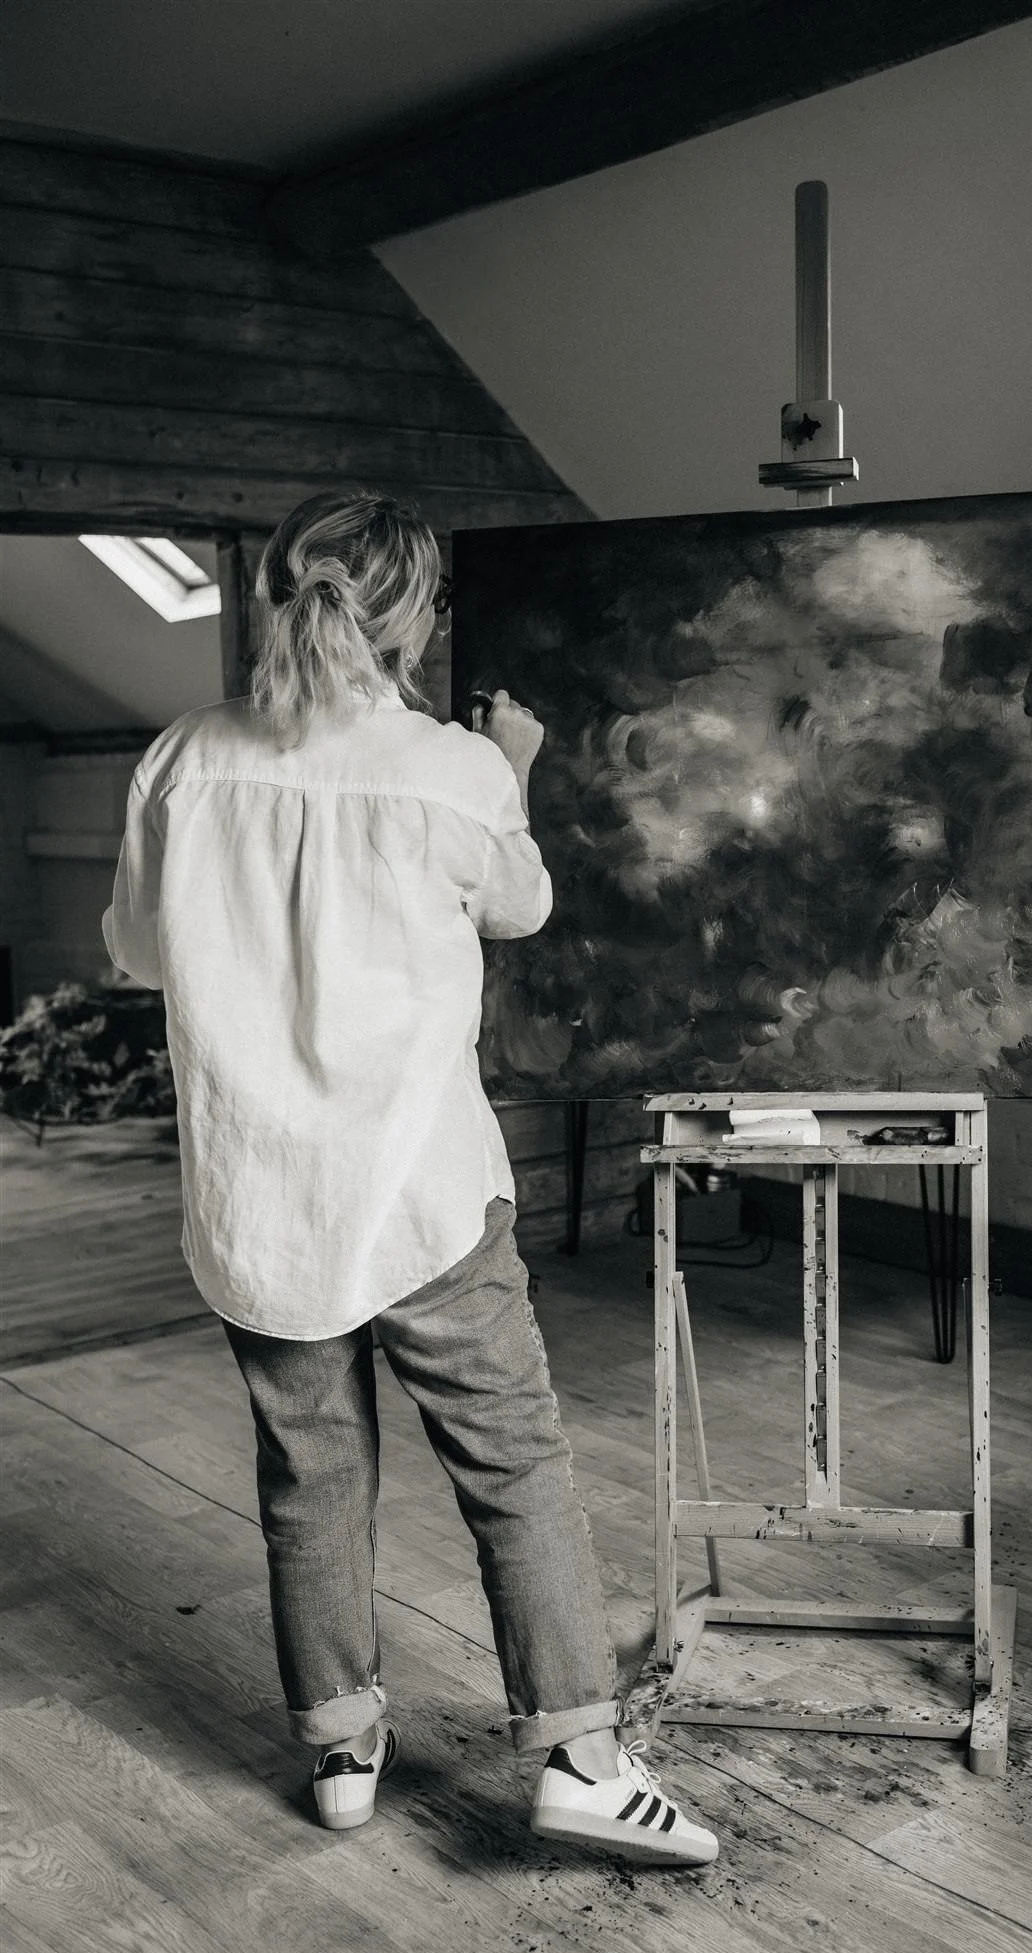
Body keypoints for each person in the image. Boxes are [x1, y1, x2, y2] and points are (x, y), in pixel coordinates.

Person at [102, 488, 717, 1867]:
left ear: (278, 593)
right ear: (415, 618)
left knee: (309, 1476)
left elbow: (138, 950)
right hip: (424, 1196)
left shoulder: (180, 762)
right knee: (515, 1467)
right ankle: (579, 1760)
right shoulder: (456, 769)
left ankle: (339, 1752)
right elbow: (522, 907)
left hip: (261, 1203)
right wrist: (510, 769)